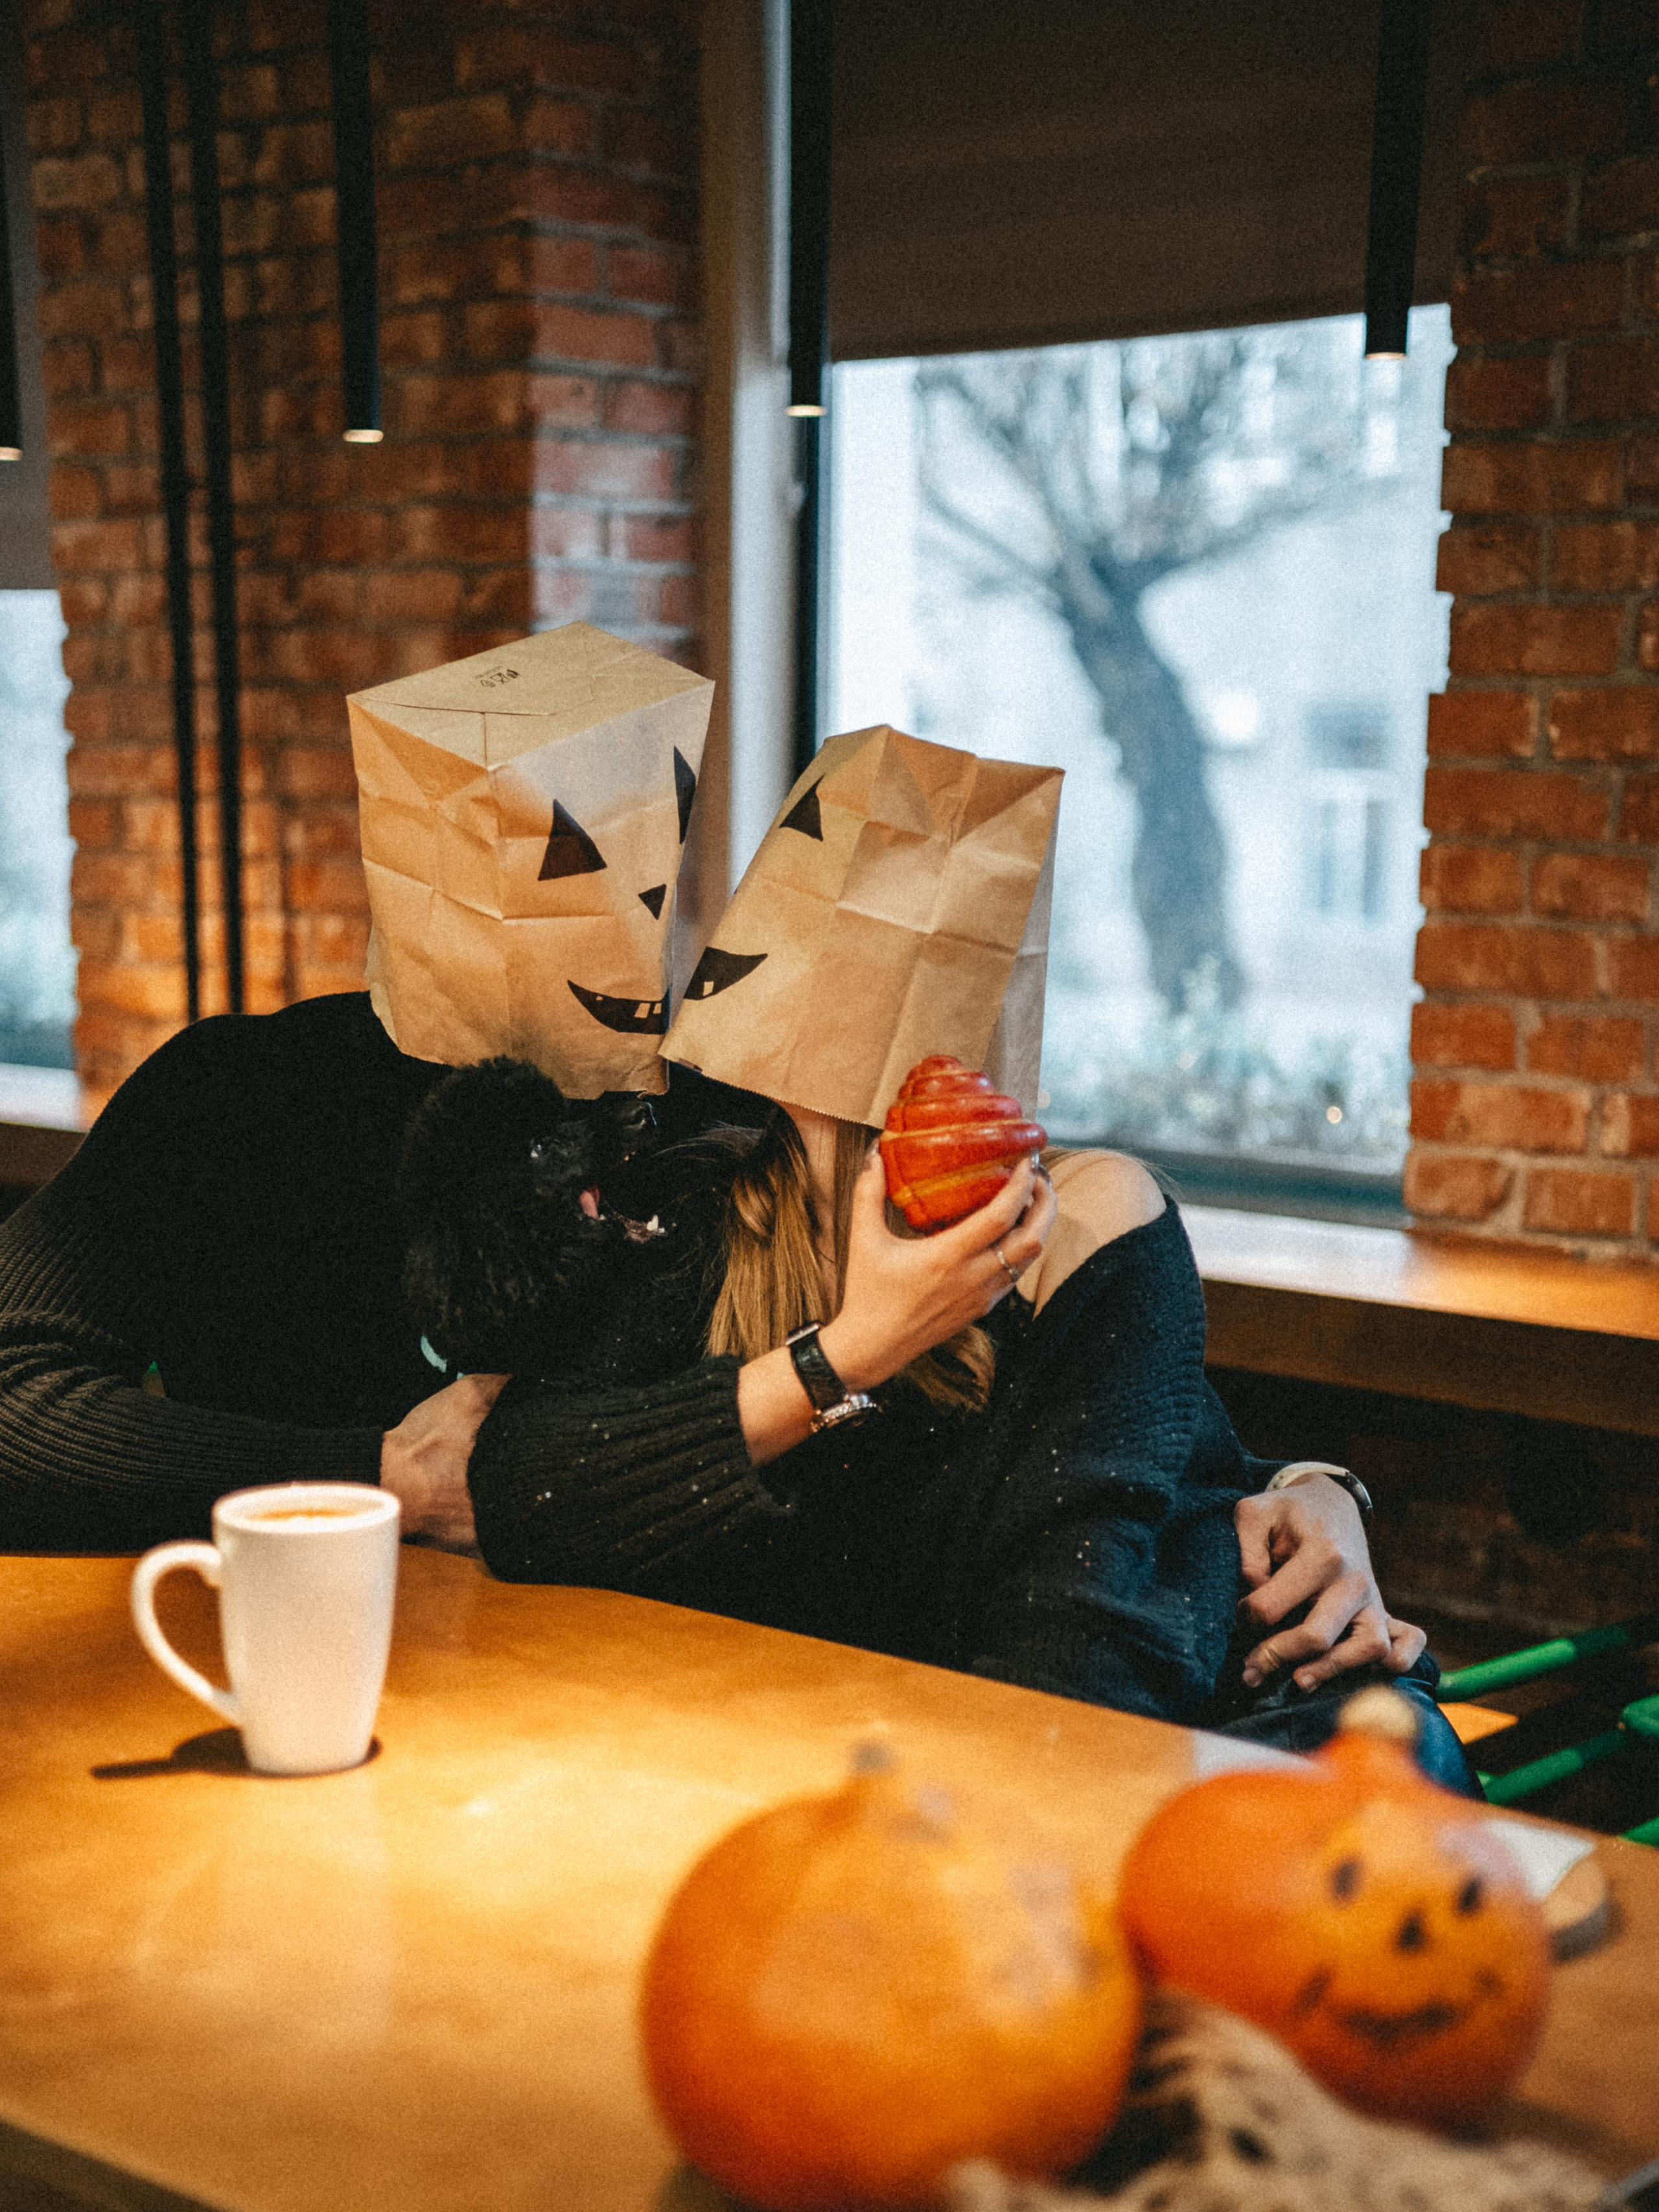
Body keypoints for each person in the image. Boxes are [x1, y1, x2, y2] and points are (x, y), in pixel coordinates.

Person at [452, 724, 1472, 1784]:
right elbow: (523, 1491)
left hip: (1207, 1741)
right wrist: (846, 1355)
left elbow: (1069, 1699)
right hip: (846, 1768)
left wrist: (1321, 1488)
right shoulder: (712, 1203)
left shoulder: (1087, 1222)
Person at [0, 625, 745, 1552]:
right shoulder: (240, 1095)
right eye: (558, 861)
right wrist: (373, 1479)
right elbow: (10, 1397)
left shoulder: (713, 1124)